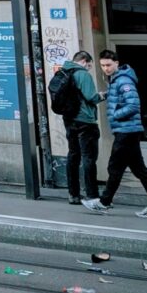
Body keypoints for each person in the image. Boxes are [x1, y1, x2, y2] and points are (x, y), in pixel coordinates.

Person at [83, 49, 147, 219]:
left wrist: (115, 115)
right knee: (140, 170)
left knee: (115, 167)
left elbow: (133, 105)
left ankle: (104, 202)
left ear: (117, 63)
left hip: (126, 131)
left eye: (108, 65)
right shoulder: (116, 81)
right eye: (102, 65)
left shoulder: (124, 81)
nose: (105, 68)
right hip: (128, 131)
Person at [59, 51, 101, 205]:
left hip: (69, 120)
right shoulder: (83, 74)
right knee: (89, 157)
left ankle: (73, 194)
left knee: (73, 155)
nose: (89, 68)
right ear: (84, 61)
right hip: (85, 121)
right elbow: (91, 97)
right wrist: (103, 95)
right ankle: (92, 195)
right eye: (89, 65)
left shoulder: (63, 72)